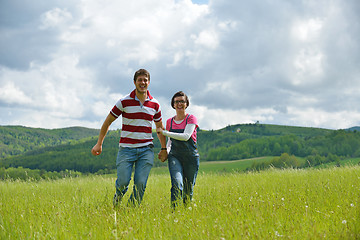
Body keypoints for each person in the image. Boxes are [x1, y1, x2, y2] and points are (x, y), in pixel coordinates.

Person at [91, 69, 167, 207]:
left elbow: (160, 128)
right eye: (140, 80)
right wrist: (99, 143)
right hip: (126, 149)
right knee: (123, 182)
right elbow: (108, 122)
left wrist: (163, 148)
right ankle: (117, 202)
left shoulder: (155, 104)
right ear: (134, 82)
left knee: (140, 183)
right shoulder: (124, 102)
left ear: (149, 82)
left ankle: (131, 210)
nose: (142, 83)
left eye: (145, 80)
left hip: (146, 150)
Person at [157, 91, 200, 208]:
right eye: (177, 102)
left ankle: (186, 211)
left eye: (182, 101)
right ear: (173, 104)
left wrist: (164, 132)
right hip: (175, 156)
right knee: (177, 183)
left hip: (191, 156)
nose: (179, 104)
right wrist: (165, 150)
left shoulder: (191, 118)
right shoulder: (169, 121)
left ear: (186, 104)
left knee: (188, 188)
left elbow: (186, 137)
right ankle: (174, 211)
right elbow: (170, 140)